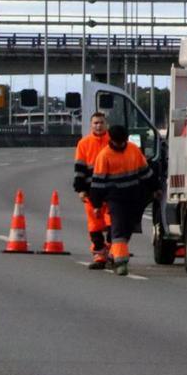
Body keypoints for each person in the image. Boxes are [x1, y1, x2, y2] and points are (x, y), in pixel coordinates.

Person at [89, 125, 159, 276]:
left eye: (123, 142)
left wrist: (155, 188)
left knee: (128, 228)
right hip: (115, 199)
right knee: (119, 228)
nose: (120, 145)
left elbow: (145, 172)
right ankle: (120, 262)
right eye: (118, 142)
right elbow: (97, 184)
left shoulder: (133, 150)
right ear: (112, 140)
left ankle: (113, 254)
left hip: (134, 197)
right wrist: (96, 205)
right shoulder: (104, 156)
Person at [73, 112, 113, 269]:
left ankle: (112, 251)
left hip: (111, 191)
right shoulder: (84, 143)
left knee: (112, 223)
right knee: (94, 225)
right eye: (96, 123)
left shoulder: (113, 141)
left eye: (101, 122)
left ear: (106, 124)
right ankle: (99, 255)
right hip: (91, 191)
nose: (98, 125)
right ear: (91, 125)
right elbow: (79, 169)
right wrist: (80, 189)